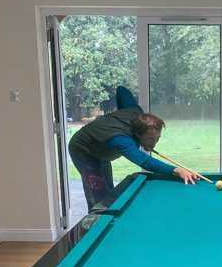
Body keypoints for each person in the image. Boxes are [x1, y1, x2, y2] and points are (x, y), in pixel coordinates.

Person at [68, 86, 198, 212]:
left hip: (101, 146)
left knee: (109, 195)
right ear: (138, 133)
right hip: (83, 151)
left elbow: (121, 90)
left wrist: (121, 113)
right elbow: (145, 161)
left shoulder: (135, 111)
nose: (153, 144)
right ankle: (96, 222)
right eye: (150, 139)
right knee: (100, 200)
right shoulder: (121, 140)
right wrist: (176, 170)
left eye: (157, 138)